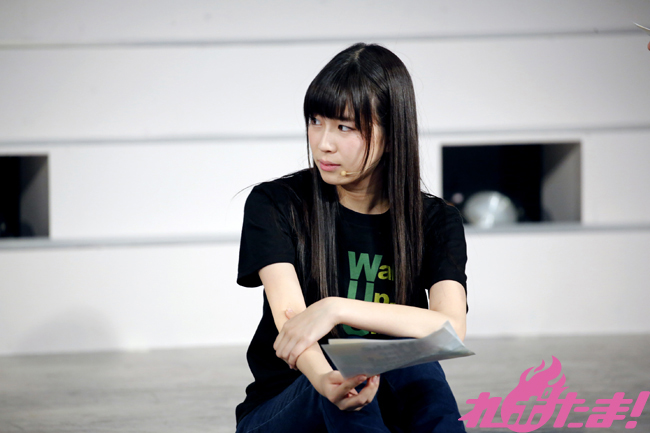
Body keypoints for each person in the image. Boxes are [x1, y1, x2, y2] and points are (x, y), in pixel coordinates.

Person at [235, 42, 468, 432]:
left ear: (391, 134)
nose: (323, 143)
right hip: (287, 405)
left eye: (344, 127)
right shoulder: (277, 203)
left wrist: (336, 309)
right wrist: (327, 381)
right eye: (315, 121)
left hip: (385, 401)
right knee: (351, 384)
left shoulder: (435, 220)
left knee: (418, 365)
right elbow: (291, 322)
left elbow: (451, 329)